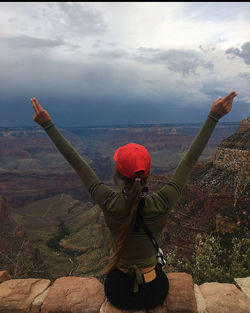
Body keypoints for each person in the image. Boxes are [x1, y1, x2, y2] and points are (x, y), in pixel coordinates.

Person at [30, 91, 237, 310]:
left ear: (117, 174)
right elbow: (190, 159)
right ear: (147, 174)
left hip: (118, 290)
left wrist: (47, 125)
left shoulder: (108, 201)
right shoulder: (164, 200)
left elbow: (77, 163)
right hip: (154, 290)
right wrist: (213, 116)